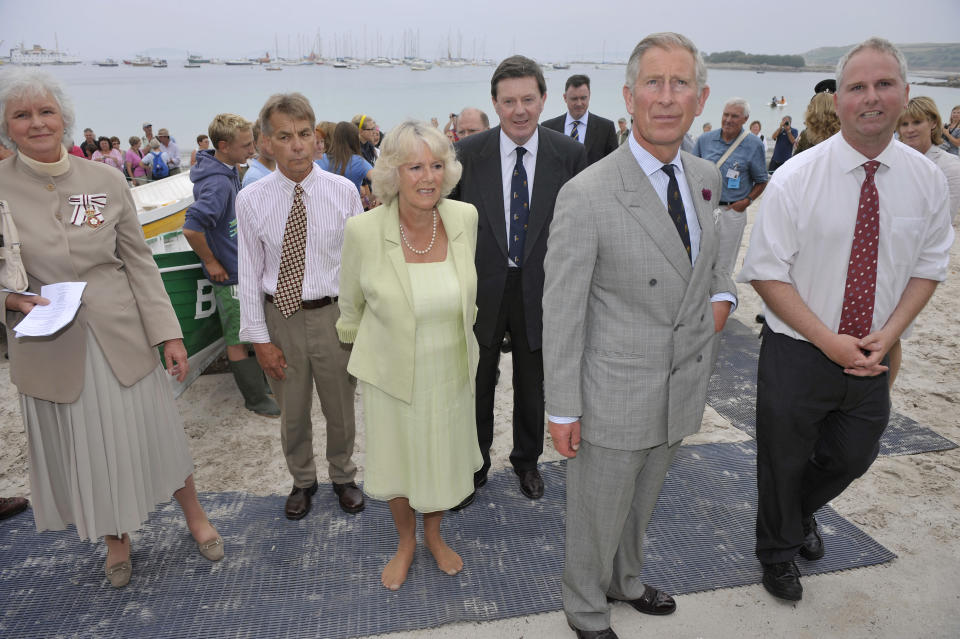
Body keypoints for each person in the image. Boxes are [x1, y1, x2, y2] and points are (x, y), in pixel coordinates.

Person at [738, 37, 953, 603]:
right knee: (781, 457)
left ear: (905, 94)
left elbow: (929, 266)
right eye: (857, 86)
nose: (871, 97)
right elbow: (765, 271)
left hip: (874, 350)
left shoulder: (927, 180)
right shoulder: (797, 177)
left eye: (884, 84)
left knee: (854, 455)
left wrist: (894, 329)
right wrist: (826, 340)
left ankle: (798, 512)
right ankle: (778, 551)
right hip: (798, 347)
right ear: (839, 100)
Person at [544, 32, 737, 639]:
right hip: (612, 391)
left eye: (680, 83)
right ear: (629, 96)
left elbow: (712, 270)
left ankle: (625, 581)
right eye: (653, 82)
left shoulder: (706, 177)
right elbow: (563, 309)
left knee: (642, 504)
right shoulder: (588, 193)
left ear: (700, 99)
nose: (666, 96)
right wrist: (563, 407)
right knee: (597, 512)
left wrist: (720, 306)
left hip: (679, 385)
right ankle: (585, 608)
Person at [0, 69, 223, 589]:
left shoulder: (104, 180)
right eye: (22, 114)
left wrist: (169, 333)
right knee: (87, 449)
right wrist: (10, 298)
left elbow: (140, 263)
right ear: (6, 126)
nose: (36, 123)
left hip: (122, 333)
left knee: (157, 435)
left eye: (46, 111)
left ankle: (194, 515)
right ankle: (116, 540)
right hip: (49, 345)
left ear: (65, 120)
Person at [337, 120, 482, 591]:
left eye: (437, 165)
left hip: (448, 370)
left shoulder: (465, 219)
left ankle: (435, 535)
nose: (428, 177)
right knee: (399, 462)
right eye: (415, 166)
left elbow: (469, 296)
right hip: (391, 375)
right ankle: (406, 543)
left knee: (437, 460)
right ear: (392, 174)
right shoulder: (362, 230)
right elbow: (350, 305)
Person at [450, 55, 586, 506]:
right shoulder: (468, 155)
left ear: (544, 99)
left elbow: (581, 228)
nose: (520, 110)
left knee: (533, 384)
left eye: (529, 99)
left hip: (542, 291)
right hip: (482, 289)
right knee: (478, 381)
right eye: (509, 101)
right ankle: (475, 463)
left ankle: (526, 461)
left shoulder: (568, 155)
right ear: (495, 102)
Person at [236, 92, 364, 520]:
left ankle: (343, 475)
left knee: (341, 408)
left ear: (317, 140)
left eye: (304, 135)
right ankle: (303, 481)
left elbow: (356, 264)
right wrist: (259, 339)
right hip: (281, 318)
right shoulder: (252, 199)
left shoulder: (344, 192)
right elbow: (248, 274)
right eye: (285, 136)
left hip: (333, 315)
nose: (296, 145)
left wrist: (358, 320)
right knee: (292, 411)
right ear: (267, 142)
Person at [183, 114, 280, 418]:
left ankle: (263, 384)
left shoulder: (228, 171)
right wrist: (211, 262)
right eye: (245, 145)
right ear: (223, 146)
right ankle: (255, 397)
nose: (252, 150)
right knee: (239, 335)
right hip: (230, 272)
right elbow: (191, 228)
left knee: (252, 329)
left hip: (242, 266)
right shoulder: (217, 184)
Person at [693, 97, 768, 272]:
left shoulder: (753, 144)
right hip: (703, 210)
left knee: (723, 265)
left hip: (731, 212)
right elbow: (691, 171)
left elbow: (762, 180)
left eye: (734, 116)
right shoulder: (705, 140)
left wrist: (747, 201)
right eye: (725, 115)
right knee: (698, 261)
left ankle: (720, 297)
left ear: (745, 119)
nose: (728, 120)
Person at [897, 96, 960, 221]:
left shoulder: (950, 165)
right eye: (904, 124)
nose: (910, 130)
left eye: (917, 122)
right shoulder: (892, 161)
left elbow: (946, 218)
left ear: (933, 123)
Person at [541, 74, 619, 166]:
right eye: (574, 99)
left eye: (583, 98)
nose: (579, 103)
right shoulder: (548, 128)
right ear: (565, 98)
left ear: (589, 96)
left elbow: (615, 166)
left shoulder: (606, 128)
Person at [316, 121, 374, 195]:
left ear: (335, 138)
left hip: (325, 204)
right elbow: (378, 179)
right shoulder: (359, 162)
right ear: (355, 139)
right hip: (351, 204)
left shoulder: (320, 159)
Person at [242, 121, 276, 188]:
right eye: (265, 140)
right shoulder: (253, 178)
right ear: (255, 144)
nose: (272, 143)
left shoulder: (282, 169)